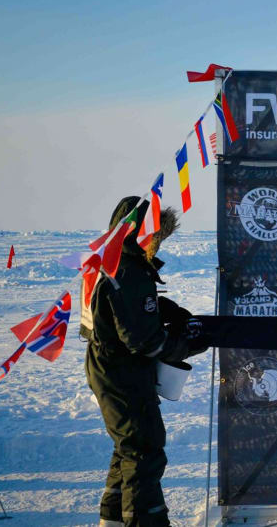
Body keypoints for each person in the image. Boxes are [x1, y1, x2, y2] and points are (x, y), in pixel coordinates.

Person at [86, 197, 205, 527]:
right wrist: (185, 344)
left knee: (128, 447)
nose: (157, 245)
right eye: (156, 237)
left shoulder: (112, 262)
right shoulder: (128, 271)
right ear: (140, 234)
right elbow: (143, 340)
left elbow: (125, 312)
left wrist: (166, 310)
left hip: (110, 368)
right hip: (121, 373)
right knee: (143, 448)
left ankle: (111, 519)